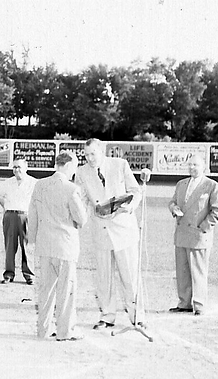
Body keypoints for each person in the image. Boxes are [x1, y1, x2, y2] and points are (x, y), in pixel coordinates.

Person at [75, 138, 143, 328]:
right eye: (86, 155)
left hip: (123, 230)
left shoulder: (120, 165)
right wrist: (78, 218)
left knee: (129, 275)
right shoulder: (81, 172)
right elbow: (82, 201)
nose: (89, 158)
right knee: (104, 277)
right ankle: (107, 315)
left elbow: (135, 192)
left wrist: (128, 208)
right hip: (100, 231)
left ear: (101, 151)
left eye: (93, 154)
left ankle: (137, 316)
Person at [28, 151, 87, 341]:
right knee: (66, 291)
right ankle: (65, 331)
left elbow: (33, 215)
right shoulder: (71, 189)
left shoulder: (40, 185)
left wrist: (32, 239)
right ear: (69, 166)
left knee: (46, 290)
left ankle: (43, 330)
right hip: (65, 246)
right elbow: (81, 219)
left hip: (45, 245)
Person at [168, 155, 218, 316]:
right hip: (181, 234)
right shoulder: (181, 184)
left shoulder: (212, 186)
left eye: (196, 165)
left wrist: (203, 227)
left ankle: (199, 304)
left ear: (204, 167)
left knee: (198, 271)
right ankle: (184, 303)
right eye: (190, 164)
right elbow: (172, 202)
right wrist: (173, 209)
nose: (192, 167)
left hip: (199, 236)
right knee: (183, 270)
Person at [0, 157, 37, 284]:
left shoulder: (33, 182)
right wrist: (7, 208)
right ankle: (9, 274)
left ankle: (29, 274)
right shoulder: (8, 182)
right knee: (10, 246)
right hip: (10, 215)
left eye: (19, 167)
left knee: (27, 246)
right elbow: (0, 196)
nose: (16, 170)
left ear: (26, 167)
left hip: (26, 215)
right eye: (14, 167)